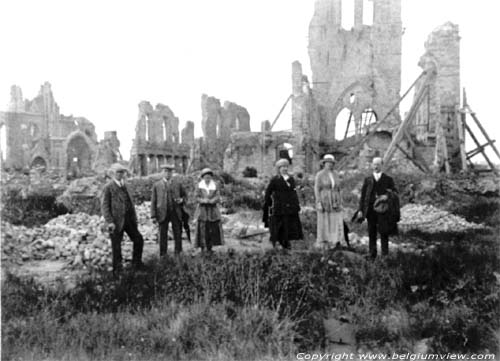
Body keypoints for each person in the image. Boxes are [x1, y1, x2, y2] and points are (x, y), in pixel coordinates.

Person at [101, 163, 144, 275]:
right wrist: (110, 221)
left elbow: (130, 202)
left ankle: (137, 263)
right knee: (116, 246)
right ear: (113, 174)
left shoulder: (127, 186)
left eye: (122, 172)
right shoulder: (108, 187)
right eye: (118, 172)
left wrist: (134, 217)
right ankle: (117, 270)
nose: (120, 174)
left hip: (129, 219)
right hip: (116, 221)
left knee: (138, 239)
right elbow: (105, 206)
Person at [357, 157, 400, 258]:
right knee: (372, 232)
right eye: (374, 164)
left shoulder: (388, 179)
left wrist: (387, 196)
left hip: (383, 210)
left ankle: (385, 254)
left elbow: (395, 193)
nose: (376, 166)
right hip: (370, 210)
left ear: (382, 165)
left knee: (384, 232)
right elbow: (363, 196)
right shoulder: (368, 180)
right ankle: (372, 253)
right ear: (372, 165)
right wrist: (360, 210)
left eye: (378, 164)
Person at [262, 158, 303, 250]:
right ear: (279, 168)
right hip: (280, 205)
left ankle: (287, 242)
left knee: (289, 223)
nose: (284, 169)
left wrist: (296, 204)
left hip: (290, 205)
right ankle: (279, 241)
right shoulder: (275, 180)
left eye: (286, 167)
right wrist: (268, 203)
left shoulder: (291, 179)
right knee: (280, 224)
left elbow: (293, 192)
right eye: (282, 167)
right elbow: (268, 192)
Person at [151, 164, 187, 255]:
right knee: (163, 234)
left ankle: (178, 253)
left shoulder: (178, 184)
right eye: (165, 171)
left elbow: (186, 196)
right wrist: (153, 215)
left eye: (170, 171)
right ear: (162, 173)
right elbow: (153, 201)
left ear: (172, 173)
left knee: (177, 233)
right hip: (162, 212)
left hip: (175, 212)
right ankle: (163, 254)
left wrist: (181, 200)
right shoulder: (157, 185)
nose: (167, 173)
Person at [314, 154, 344, 249]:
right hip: (325, 198)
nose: (329, 165)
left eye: (331, 163)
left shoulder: (335, 174)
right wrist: (318, 202)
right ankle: (324, 241)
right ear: (324, 164)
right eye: (327, 163)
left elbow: (339, 188)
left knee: (334, 219)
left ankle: (334, 240)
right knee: (325, 219)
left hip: (334, 199)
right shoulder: (320, 174)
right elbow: (317, 188)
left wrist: (339, 200)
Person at [194, 168, 224, 252]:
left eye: (209, 177)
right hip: (202, 211)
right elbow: (196, 197)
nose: (207, 179)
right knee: (203, 229)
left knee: (212, 229)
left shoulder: (215, 185)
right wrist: (203, 200)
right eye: (206, 177)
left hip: (212, 211)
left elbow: (218, 196)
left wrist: (212, 201)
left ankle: (210, 247)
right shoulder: (199, 185)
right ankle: (203, 247)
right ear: (203, 178)